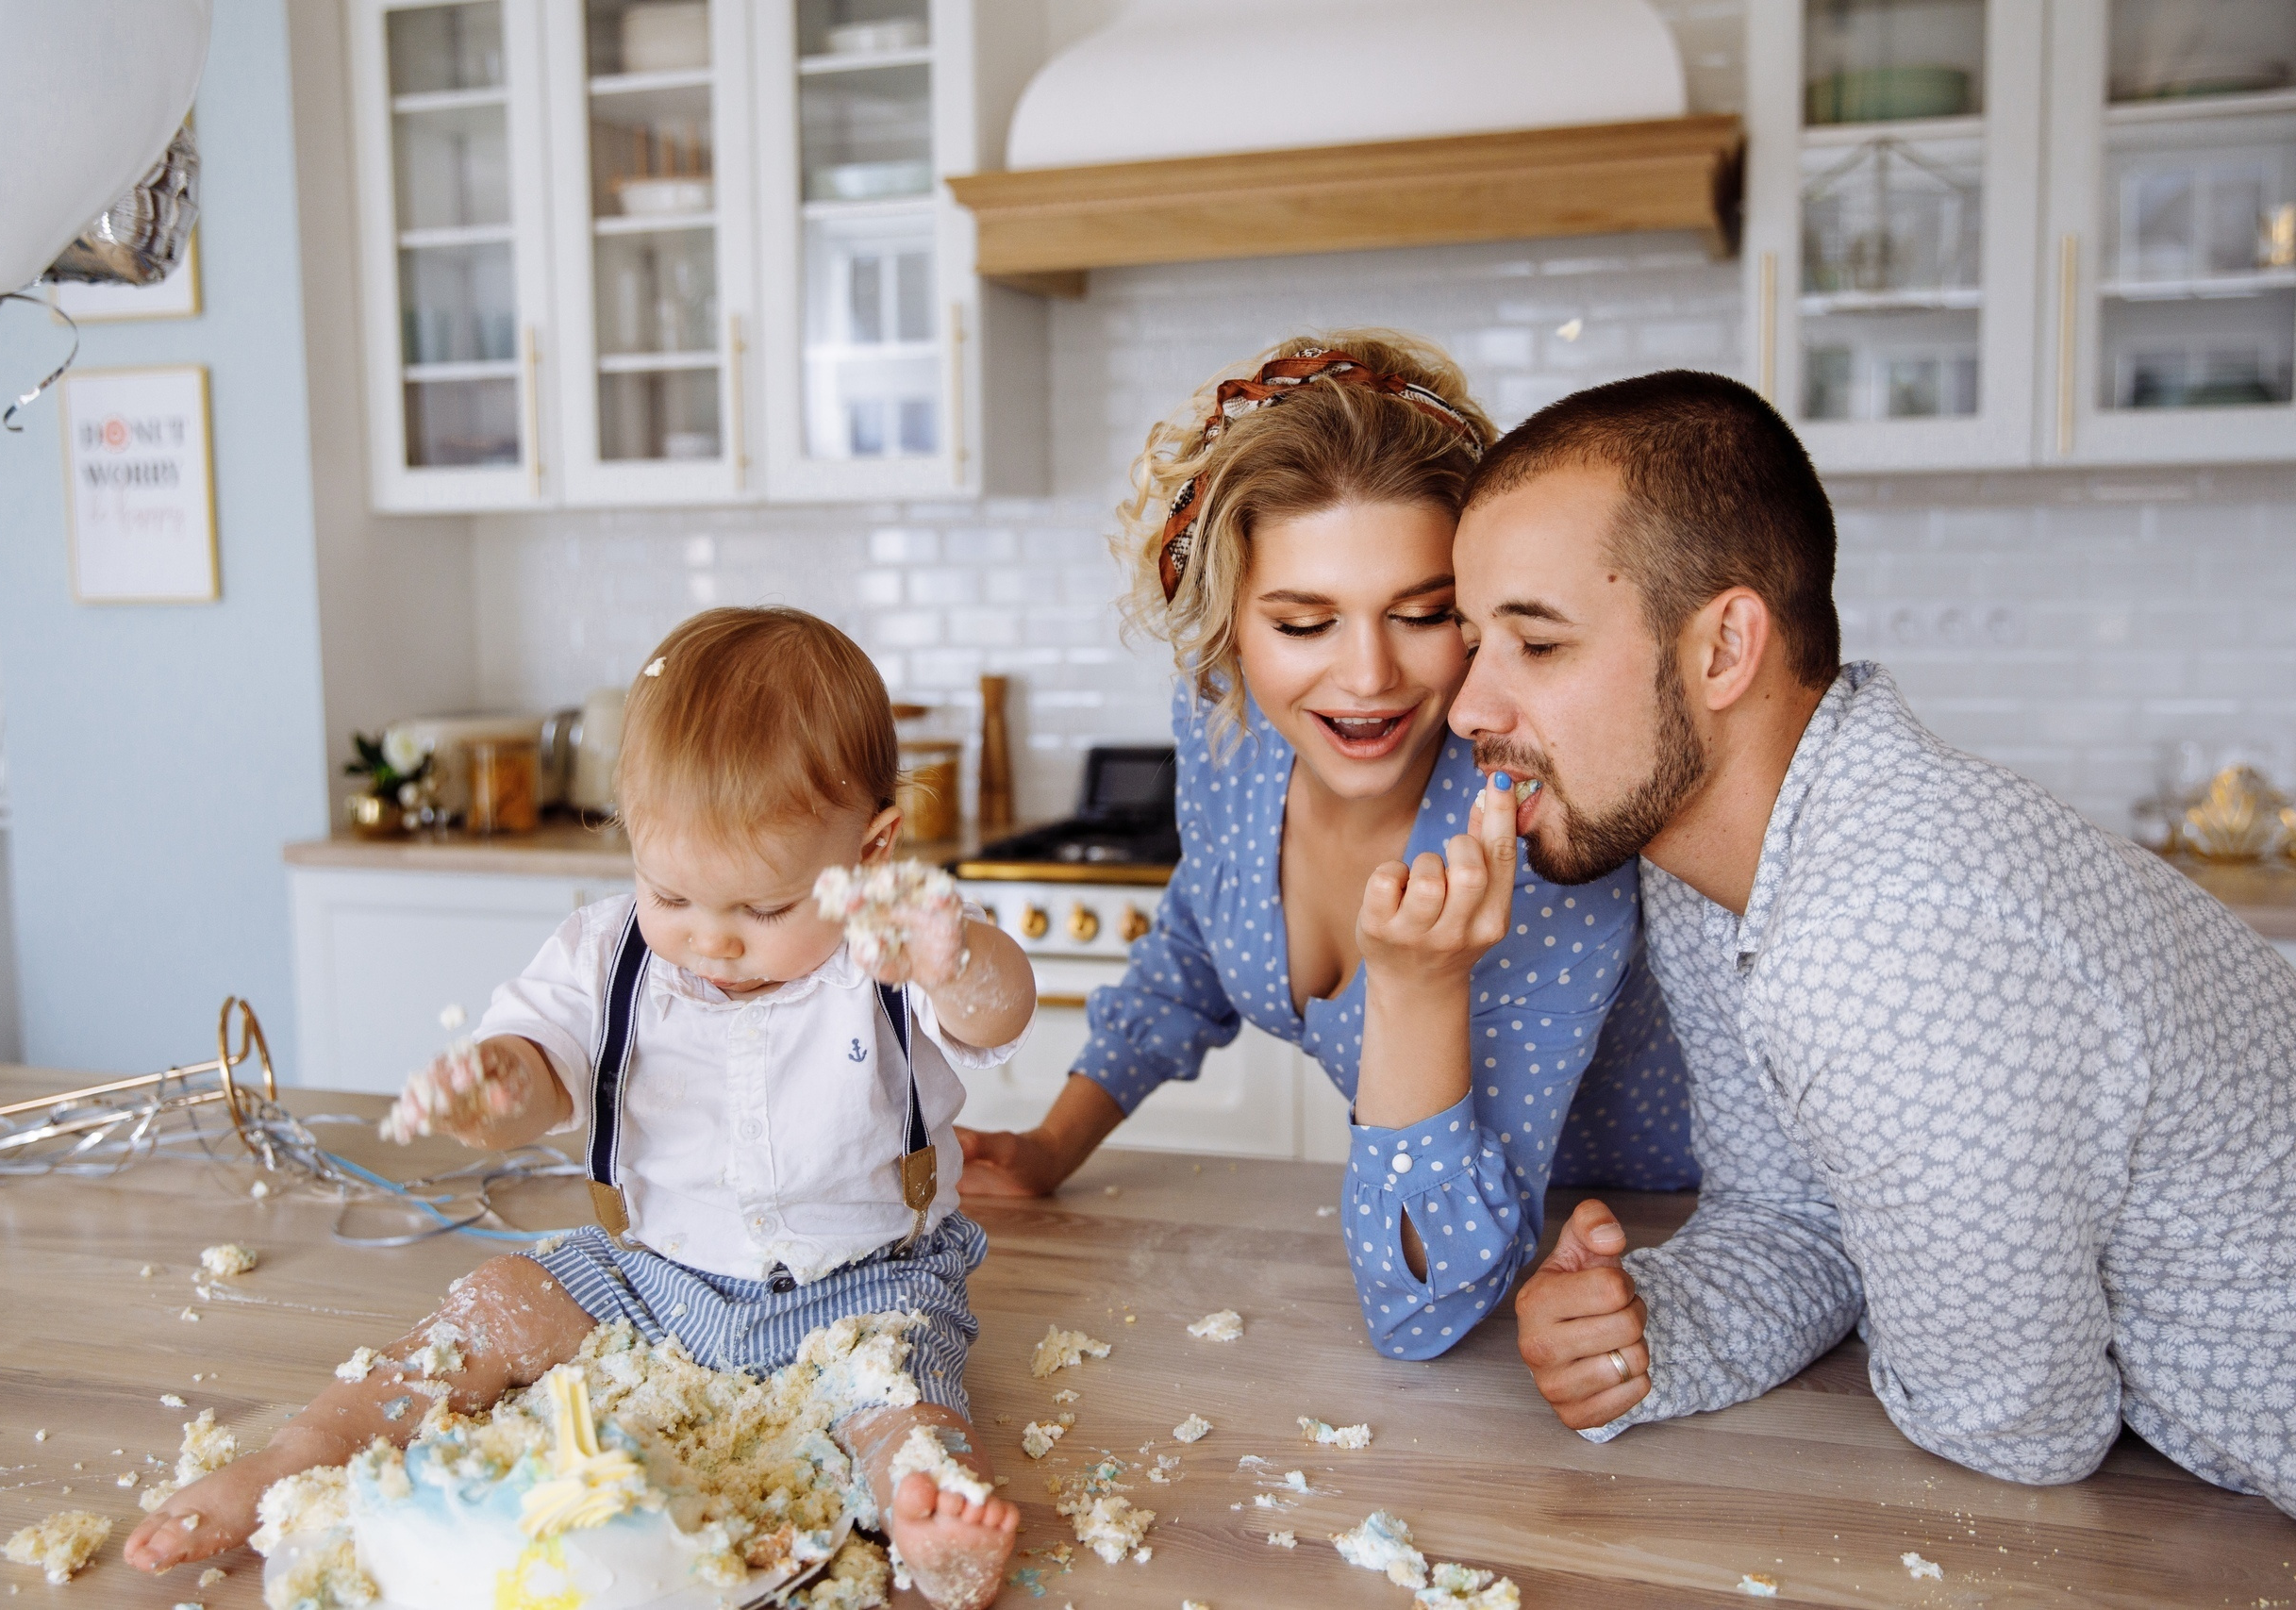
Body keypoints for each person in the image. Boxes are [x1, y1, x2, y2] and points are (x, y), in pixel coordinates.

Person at [1458, 371, 2296, 1512]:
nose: (1466, 707)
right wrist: (1654, 1330)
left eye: (1536, 646)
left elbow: (2013, 1427)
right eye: (1470, 643)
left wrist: (1905, 1311)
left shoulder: (1884, 935)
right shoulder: (1718, 877)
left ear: (1721, 651)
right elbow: (1796, 1213)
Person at [125, 607, 1038, 1606]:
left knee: (903, 1399)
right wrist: (498, 1086)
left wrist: (959, 961)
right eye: (671, 893)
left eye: (764, 909)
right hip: (647, 1278)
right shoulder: (603, 954)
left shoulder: (895, 942)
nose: (710, 940)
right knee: (485, 1313)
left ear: (871, 850)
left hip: (862, 1290)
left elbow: (996, 1014)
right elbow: (539, 1068)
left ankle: (927, 1506)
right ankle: (299, 1458)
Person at [959, 332, 1698, 1362]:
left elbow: (1428, 1302)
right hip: (1431, 1242)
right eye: (1304, 624)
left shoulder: (1540, 831)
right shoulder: (1228, 724)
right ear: (1227, 631)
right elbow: (1193, 945)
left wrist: (1419, 988)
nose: (1365, 677)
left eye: (1422, 613)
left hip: (1634, 1257)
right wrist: (1049, 1146)